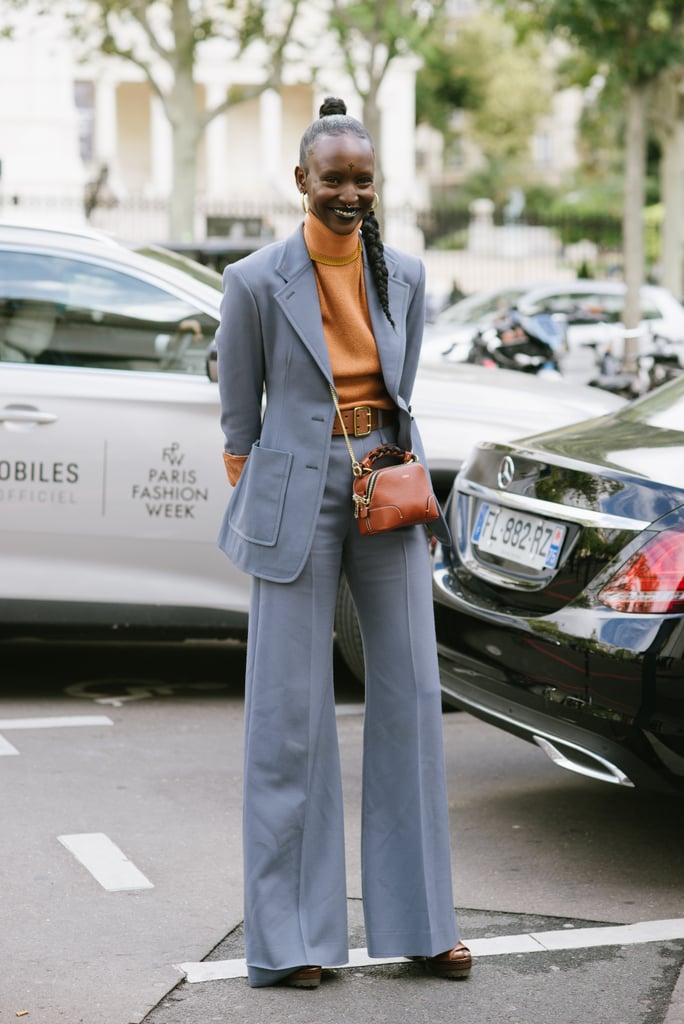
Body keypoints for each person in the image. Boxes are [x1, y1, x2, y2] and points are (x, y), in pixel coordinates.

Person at [214, 96, 471, 990]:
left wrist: (399, 475)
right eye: (335, 179)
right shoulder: (252, 281)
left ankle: (425, 926)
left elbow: (400, 391)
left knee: (410, 700)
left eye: (363, 179)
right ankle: (291, 942)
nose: (350, 193)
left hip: (387, 479)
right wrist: (266, 483)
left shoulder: (404, 274)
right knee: (288, 719)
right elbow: (236, 422)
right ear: (301, 182)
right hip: (294, 488)